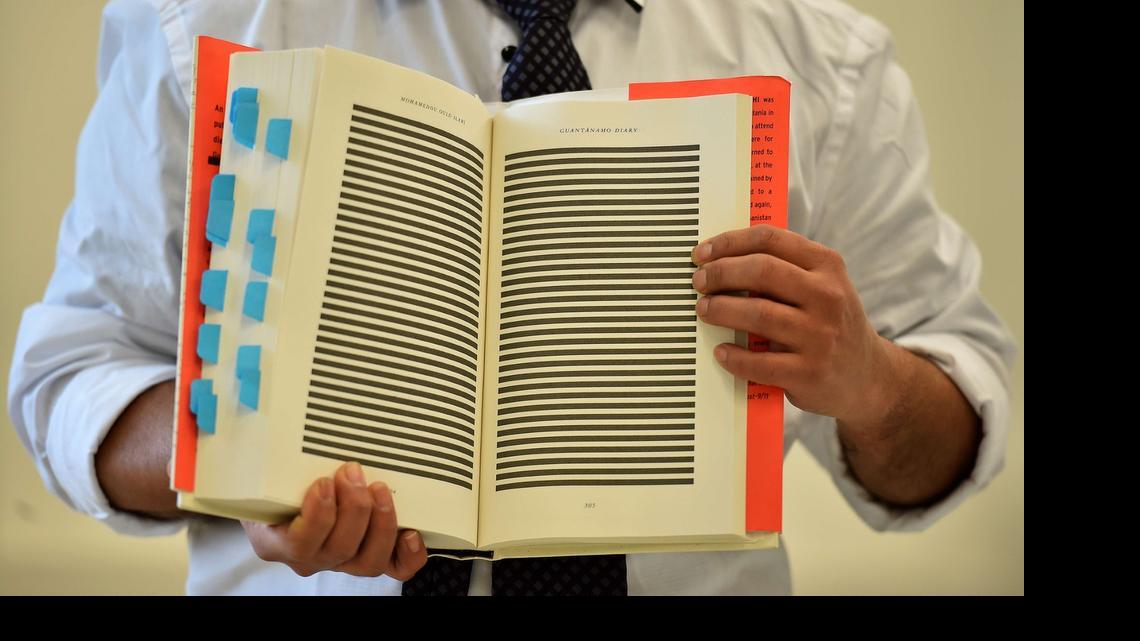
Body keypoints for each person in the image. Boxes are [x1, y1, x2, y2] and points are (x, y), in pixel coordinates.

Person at [7, 0, 1016, 596]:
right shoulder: (207, 20)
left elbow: (954, 421)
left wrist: (875, 381)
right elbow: (76, 376)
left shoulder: (818, 54)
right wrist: (239, 470)